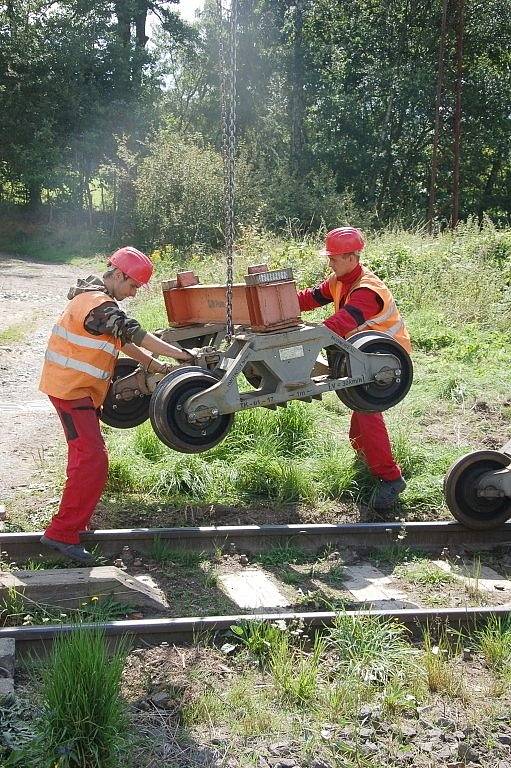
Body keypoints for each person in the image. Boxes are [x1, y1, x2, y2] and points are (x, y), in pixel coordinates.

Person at [39, 246, 193, 563]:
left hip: (76, 391)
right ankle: (61, 534)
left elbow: (120, 340)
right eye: (133, 286)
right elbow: (134, 334)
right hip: (71, 392)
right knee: (93, 461)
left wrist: (155, 366)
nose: (134, 293)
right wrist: (181, 356)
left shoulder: (94, 299)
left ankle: (73, 520)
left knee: (86, 459)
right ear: (119, 275)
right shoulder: (99, 306)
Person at [297, 227, 411, 510]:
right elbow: (310, 298)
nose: (330, 262)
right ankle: (365, 459)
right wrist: (276, 303)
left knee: (367, 410)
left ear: (351, 257)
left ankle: (391, 478)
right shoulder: (339, 280)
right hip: (362, 354)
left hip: (385, 361)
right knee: (358, 406)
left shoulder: (367, 291)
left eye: (334, 258)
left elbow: (339, 324)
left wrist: (302, 338)